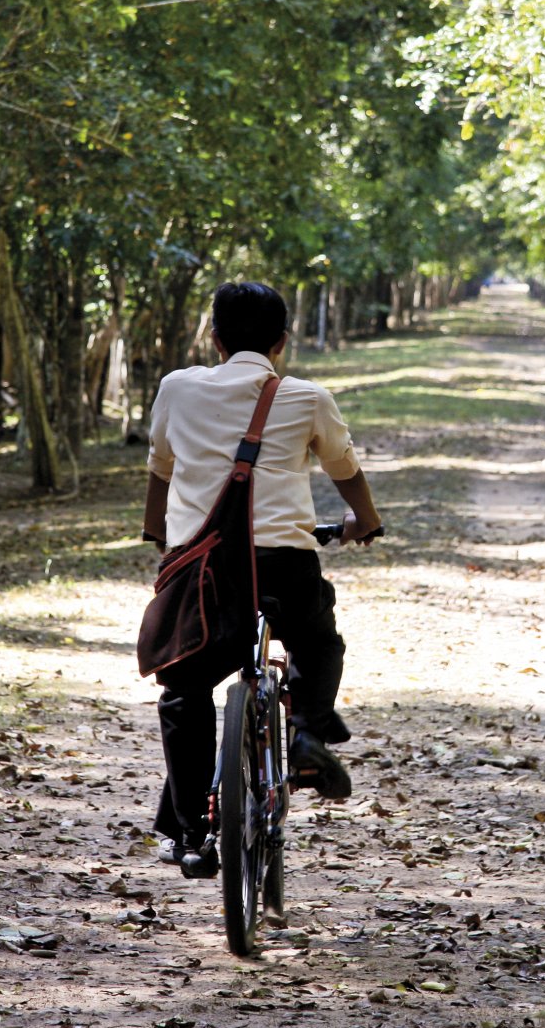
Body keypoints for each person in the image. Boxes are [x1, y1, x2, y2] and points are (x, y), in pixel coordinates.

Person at [141, 281, 383, 878]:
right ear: (281, 342)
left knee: (184, 687)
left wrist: (160, 538)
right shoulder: (306, 397)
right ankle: (304, 735)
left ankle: (194, 828)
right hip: (284, 565)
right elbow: (345, 471)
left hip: (203, 571)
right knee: (319, 641)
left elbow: (160, 472)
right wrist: (366, 523)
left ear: (213, 337)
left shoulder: (177, 388)